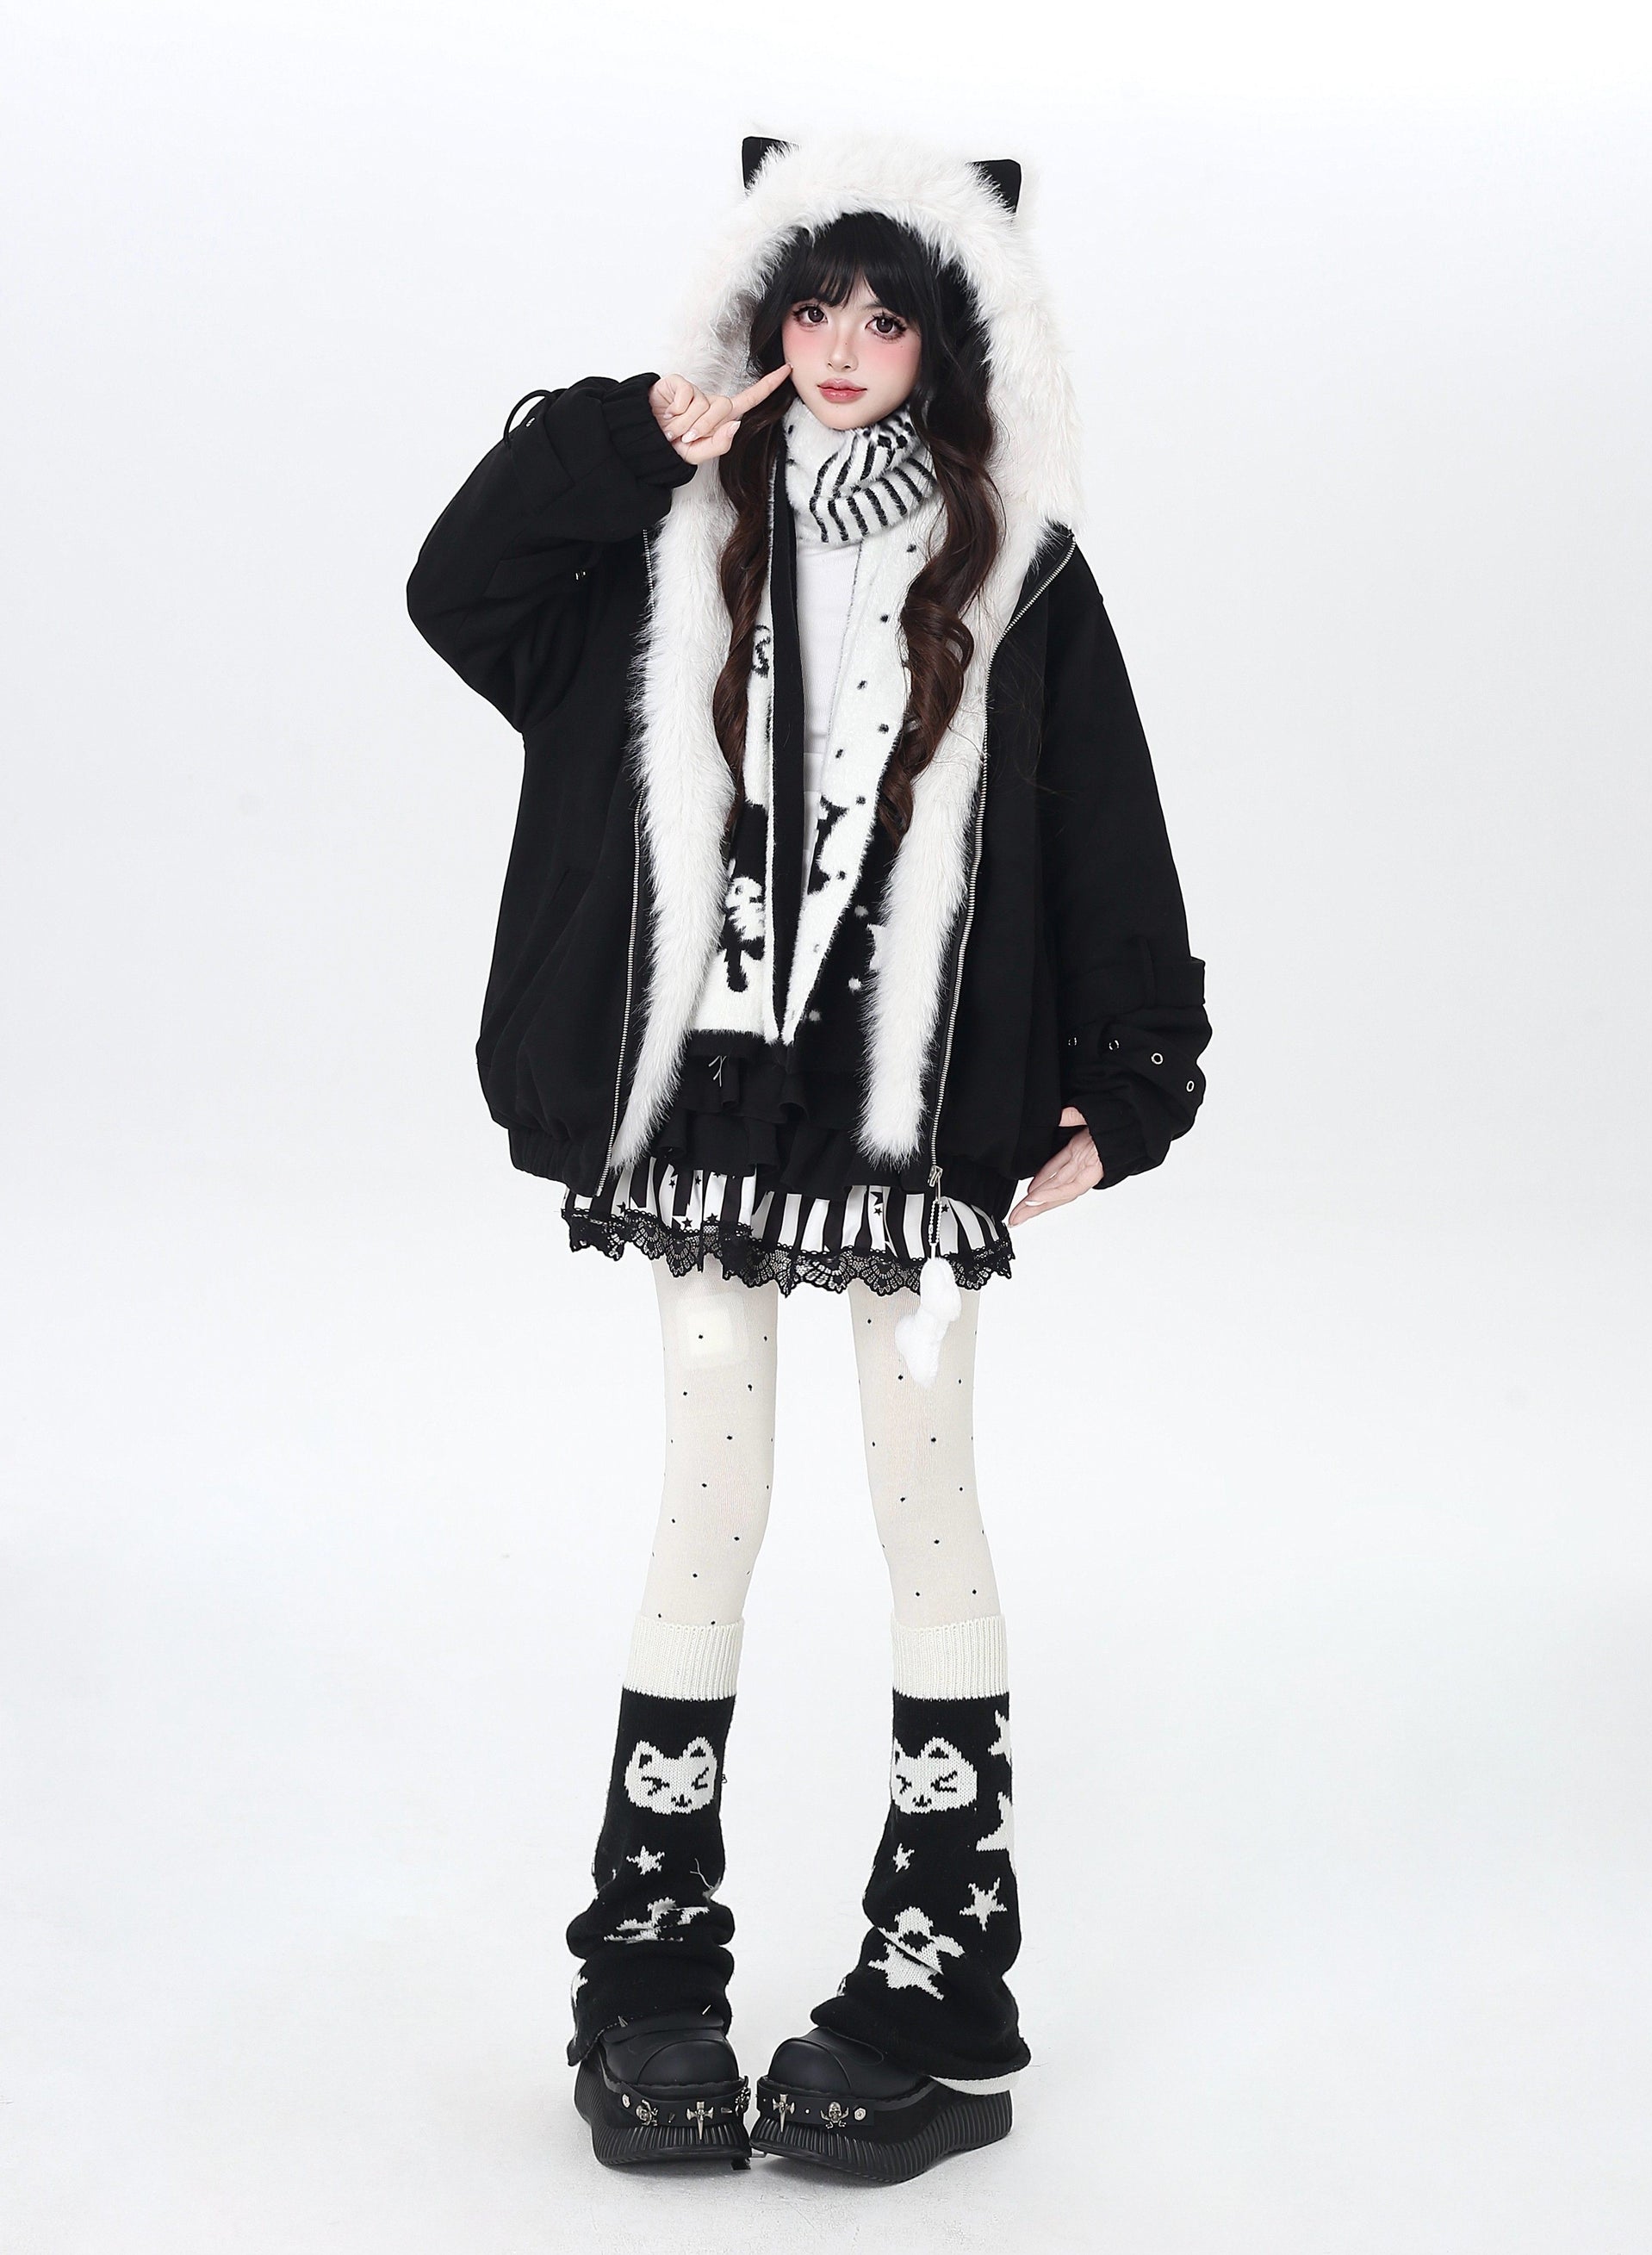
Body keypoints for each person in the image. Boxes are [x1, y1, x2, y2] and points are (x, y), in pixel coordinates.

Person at [407, 132, 1211, 2183]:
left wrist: (1130, 1078)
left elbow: (1104, 817)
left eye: (887, 318)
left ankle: (936, 1995)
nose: (844, 348)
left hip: (913, 1119)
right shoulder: (660, 541)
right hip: (714, 1112)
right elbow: (453, 594)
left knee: (924, 1494)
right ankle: (646, 1973)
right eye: (812, 308)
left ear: (947, 344)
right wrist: (619, 439)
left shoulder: (1020, 569)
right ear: (761, 319)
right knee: (709, 1497)